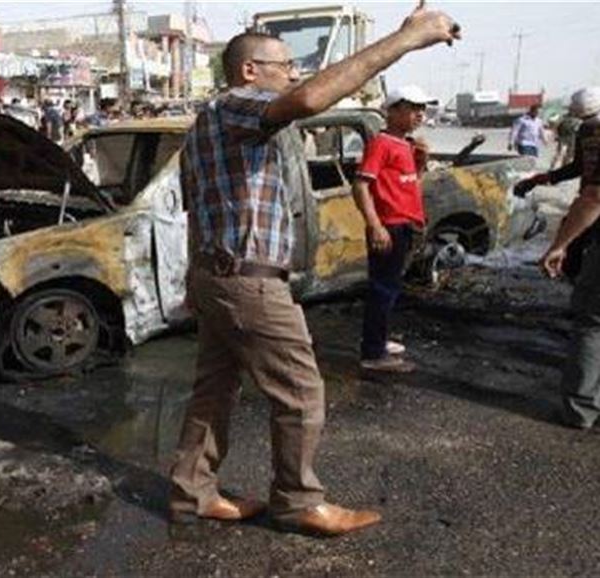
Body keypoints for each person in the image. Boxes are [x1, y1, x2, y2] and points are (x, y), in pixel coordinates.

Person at [168, 2, 459, 536]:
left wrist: (196, 281)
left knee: (215, 389)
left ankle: (194, 493)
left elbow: (198, 209)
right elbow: (309, 98)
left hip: (219, 275)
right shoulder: (239, 104)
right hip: (247, 281)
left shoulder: (206, 123)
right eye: (284, 66)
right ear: (250, 71)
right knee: (301, 391)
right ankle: (298, 501)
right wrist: (407, 38)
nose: (294, 76)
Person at [352, 85, 435, 373]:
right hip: (390, 225)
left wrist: (421, 164)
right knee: (382, 289)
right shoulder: (382, 143)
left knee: (390, 287)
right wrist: (375, 225)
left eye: (422, 109)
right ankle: (373, 352)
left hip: (405, 224)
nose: (419, 115)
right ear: (394, 110)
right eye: (414, 108)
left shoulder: (405, 144)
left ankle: (379, 340)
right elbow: (361, 185)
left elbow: (408, 184)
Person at [532, 87, 600, 429]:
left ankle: (581, 410)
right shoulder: (590, 130)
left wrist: (560, 244)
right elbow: (579, 170)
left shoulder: (595, 131)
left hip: (592, 216)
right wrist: (545, 177)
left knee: (591, 322)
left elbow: (594, 195)